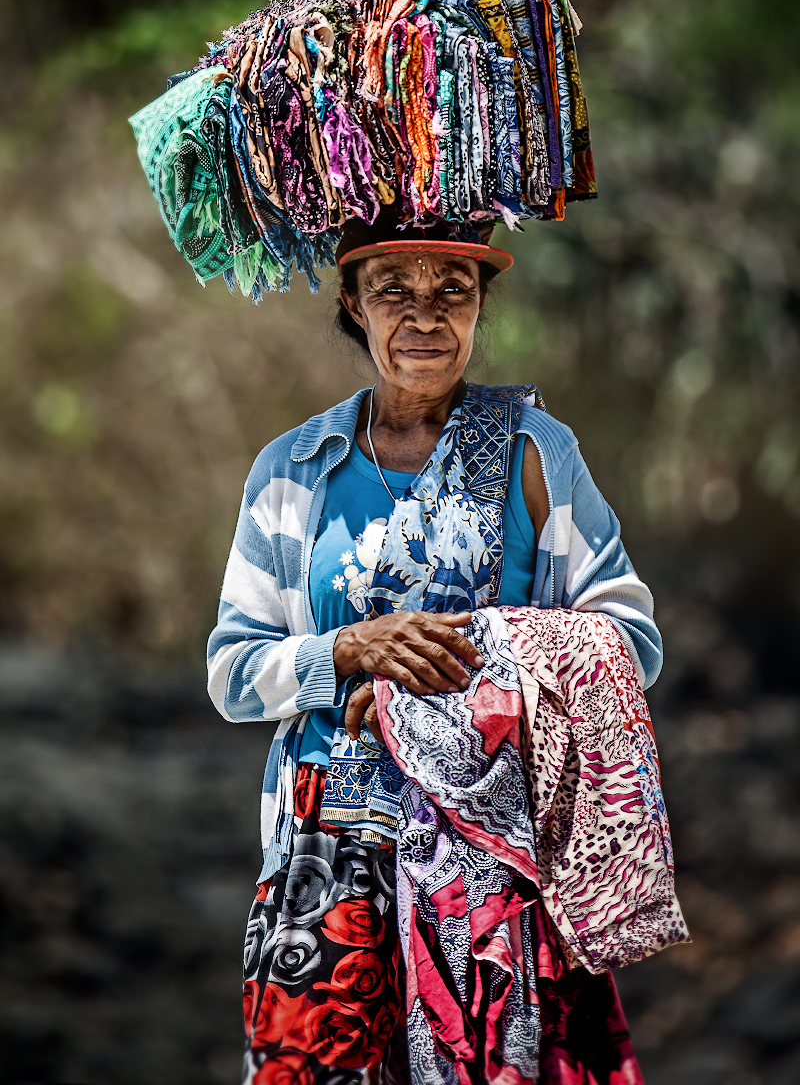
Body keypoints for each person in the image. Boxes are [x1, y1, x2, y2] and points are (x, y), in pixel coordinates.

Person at [207, 213, 662, 1085]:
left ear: (481, 306)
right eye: (394, 292)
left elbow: (628, 641)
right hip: (324, 851)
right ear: (352, 302)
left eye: (453, 290)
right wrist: (346, 651)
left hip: (493, 867)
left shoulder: (534, 452)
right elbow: (232, 670)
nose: (426, 316)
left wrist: (460, 685)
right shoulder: (293, 471)